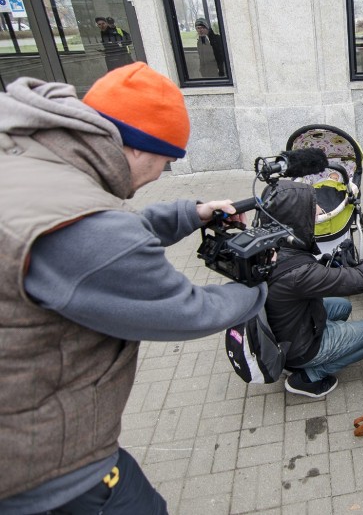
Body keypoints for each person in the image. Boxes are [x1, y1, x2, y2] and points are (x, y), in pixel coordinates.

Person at [0, 62, 267, 513]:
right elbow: (188, 310)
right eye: (166, 160)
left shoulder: (31, 160)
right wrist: (262, 285)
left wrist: (190, 213)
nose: (163, 173)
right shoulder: (86, 229)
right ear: (138, 147)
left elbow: (98, 241)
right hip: (48, 470)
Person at [261, 180, 363, 398]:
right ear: (295, 217)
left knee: (342, 306)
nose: (321, 211)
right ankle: (307, 376)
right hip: (298, 345)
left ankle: (303, 356)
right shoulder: (298, 274)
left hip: (286, 324)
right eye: (312, 208)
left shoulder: (271, 244)